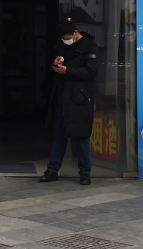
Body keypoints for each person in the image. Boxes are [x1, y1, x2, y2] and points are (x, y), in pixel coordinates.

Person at [39, 20, 98, 185]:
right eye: (63, 38)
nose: (66, 41)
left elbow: (91, 71)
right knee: (59, 136)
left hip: (80, 99)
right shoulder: (61, 45)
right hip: (61, 97)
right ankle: (52, 170)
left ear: (75, 32)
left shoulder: (90, 46)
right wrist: (56, 63)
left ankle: (85, 173)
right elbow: (57, 63)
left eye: (67, 37)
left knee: (81, 137)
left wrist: (68, 71)